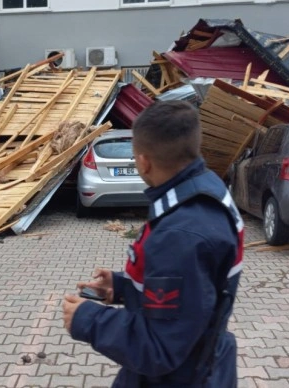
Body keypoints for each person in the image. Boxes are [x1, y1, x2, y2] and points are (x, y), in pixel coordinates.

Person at [62, 101, 244, 387]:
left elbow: (159, 348)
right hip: (201, 362)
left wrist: (89, 319)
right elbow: (191, 293)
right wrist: (122, 286)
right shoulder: (205, 189)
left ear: (144, 161)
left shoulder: (180, 234)